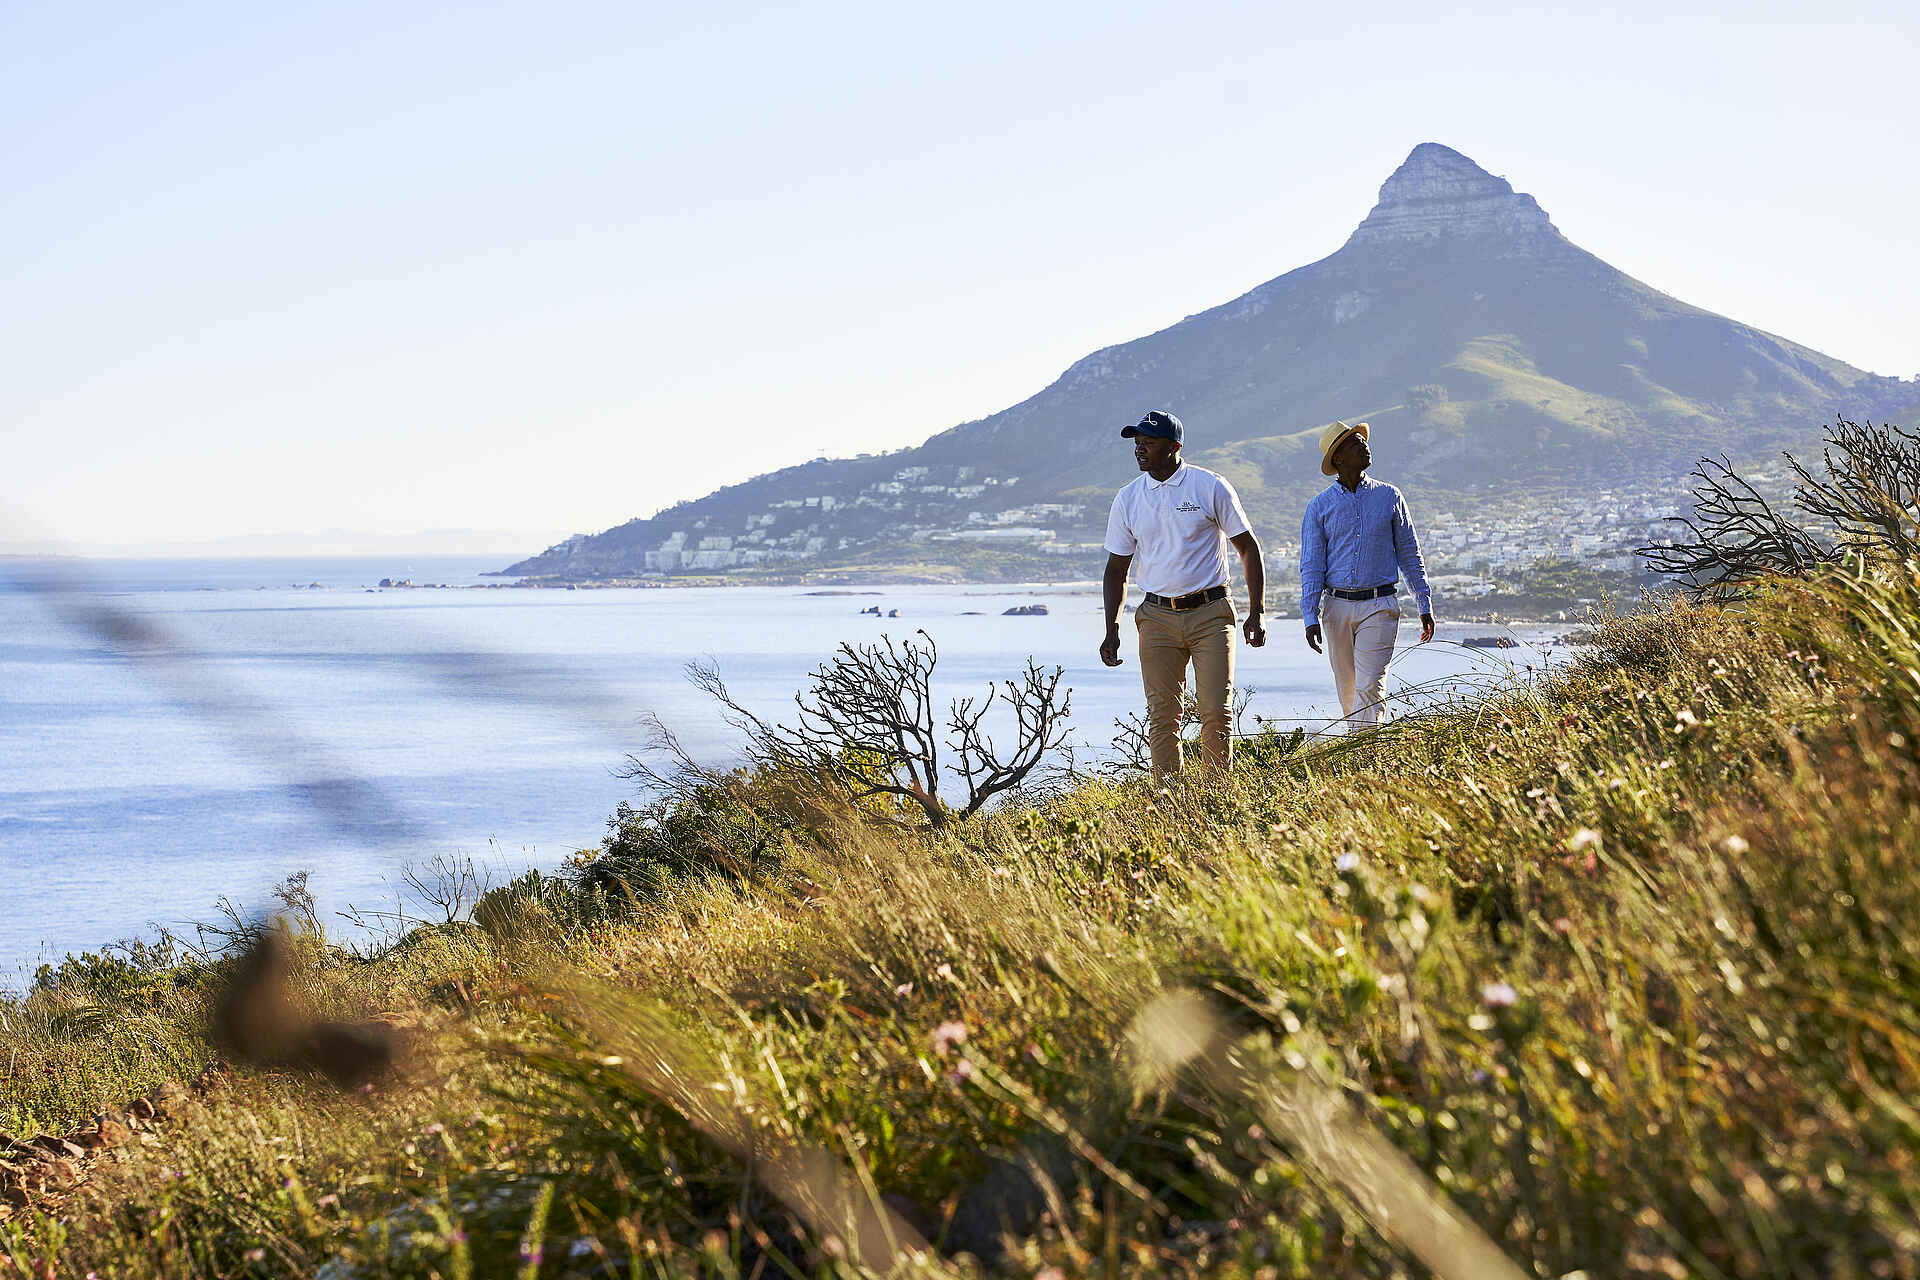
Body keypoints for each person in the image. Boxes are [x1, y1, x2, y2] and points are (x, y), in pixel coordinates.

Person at [1099, 410, 1266, 779]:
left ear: (1174, 447)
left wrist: (1257, 611)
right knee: (1162, 716)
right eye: (1137, 443)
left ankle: (1216, 796)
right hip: (1156, 617)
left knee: (1214, 710)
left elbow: (1247, 548)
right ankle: (1168, 802)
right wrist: (1112, 628)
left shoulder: (1209, 486)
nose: (1140, 450)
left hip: (1211, 614)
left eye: (1149, 442)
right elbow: (1116, 569)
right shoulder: (1128, 499)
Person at [1299, 420, 1435, 730]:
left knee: (1370, 687)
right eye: (1354, 443)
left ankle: (1366, 757)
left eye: (1363, 441)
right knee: (1348, 691)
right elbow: (1312, 565)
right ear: (1338, 459)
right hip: (1337, 608)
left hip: (1380, 605)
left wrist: (1423, 604)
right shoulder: (1319, 507)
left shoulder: (1390, 497)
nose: (1364, 446)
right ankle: (1362, 755)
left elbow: (1409, 554)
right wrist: (1309, 616)